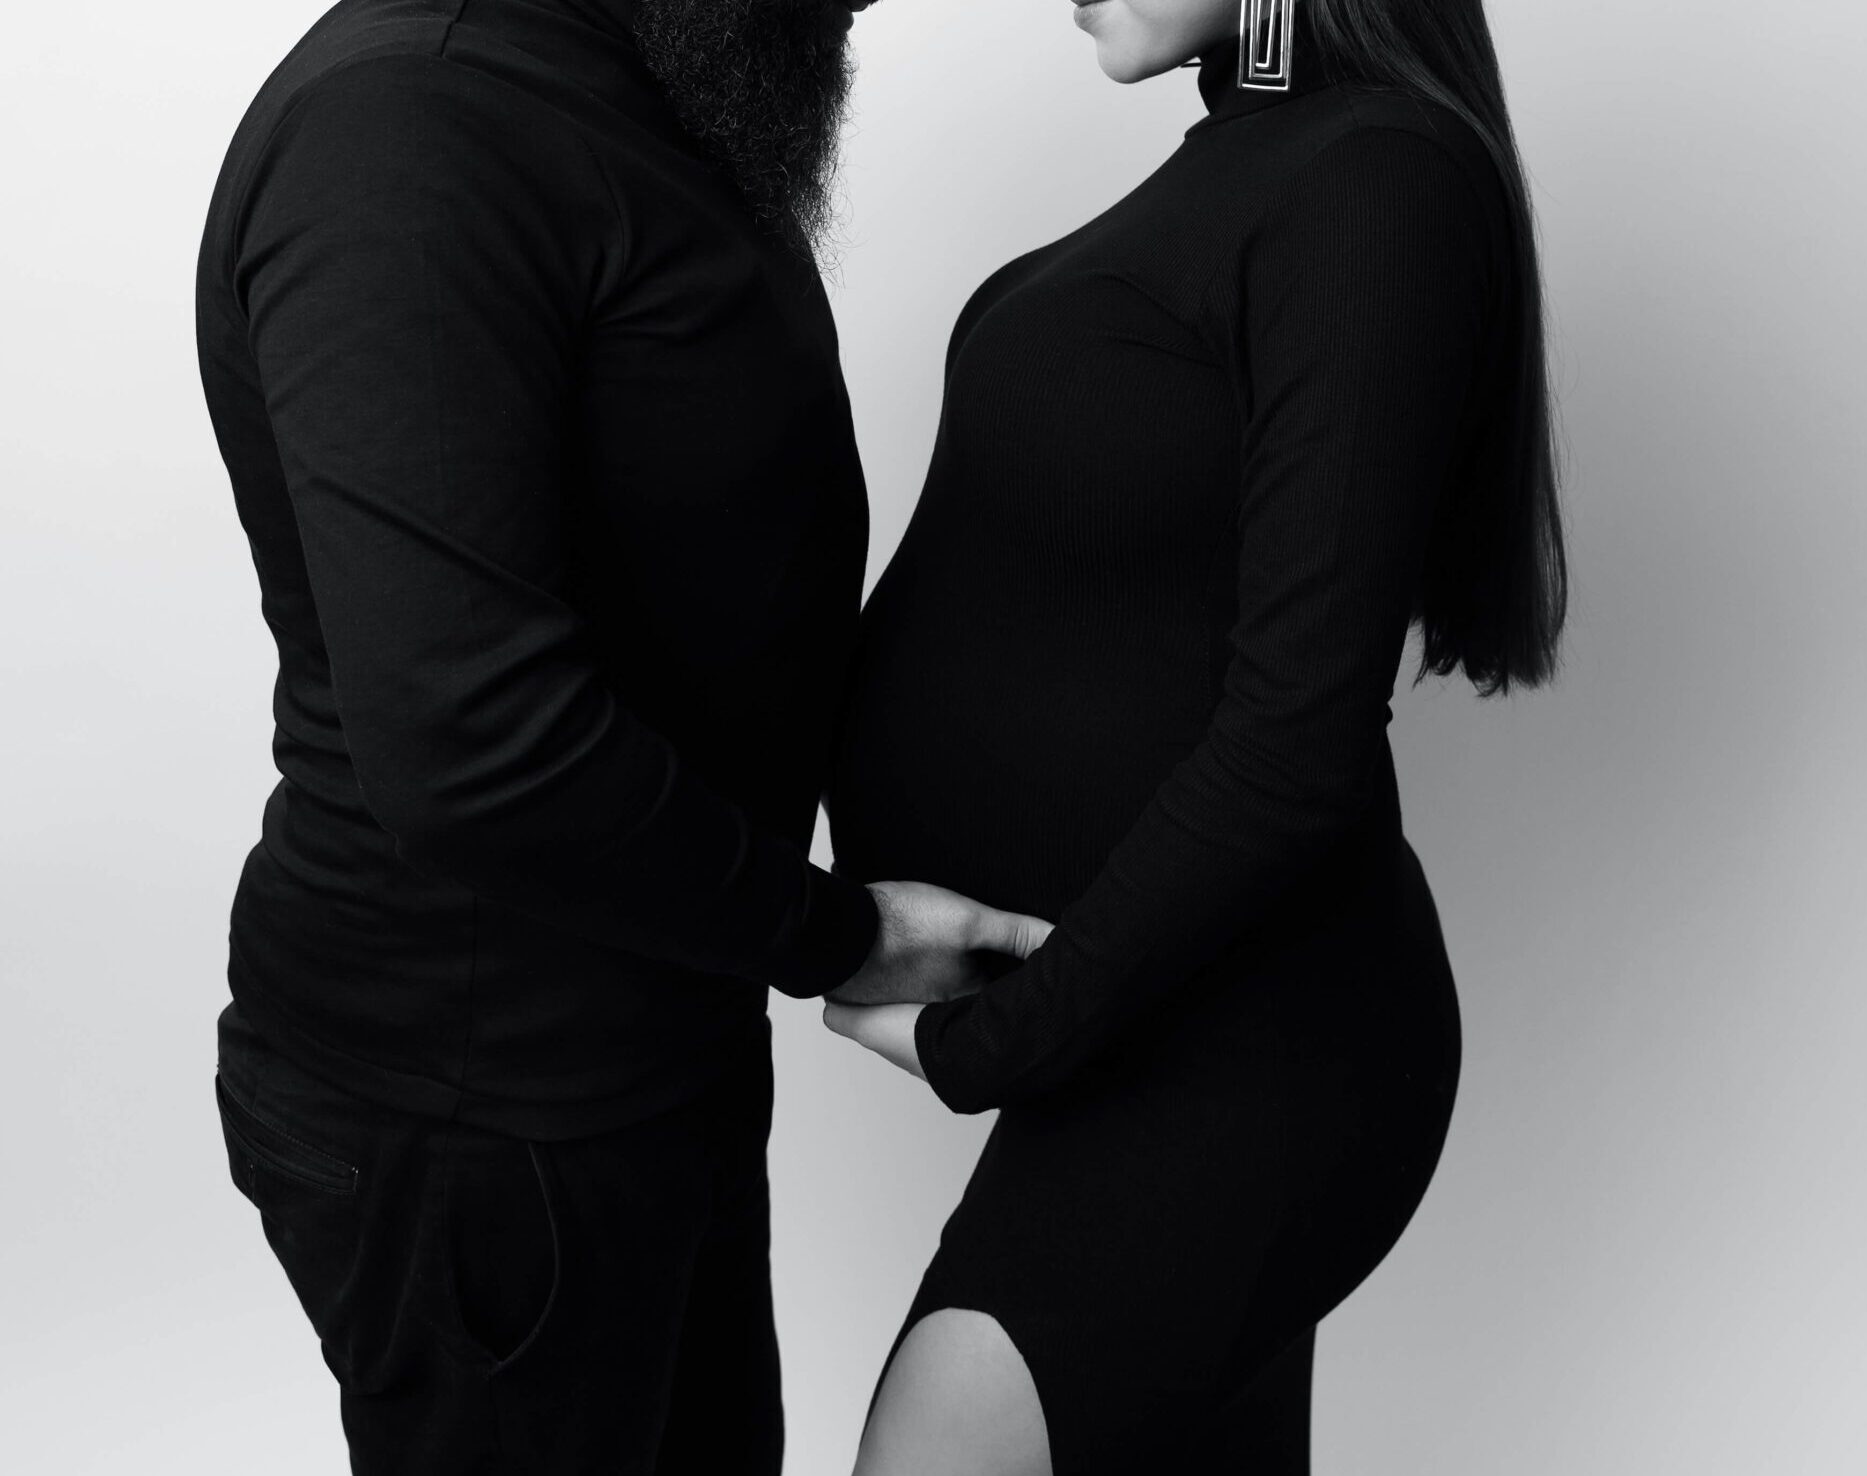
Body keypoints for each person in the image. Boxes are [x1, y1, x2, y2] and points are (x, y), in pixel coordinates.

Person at [195, 0, 1043, 1470]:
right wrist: (835, 934)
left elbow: (709, 581)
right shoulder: (412, 129)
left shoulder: (633, 89)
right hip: (483, 1113)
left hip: (649, 1050)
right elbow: (470, 744)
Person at [822, 0, 1568, 1471]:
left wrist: (998, 1042)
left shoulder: (1376, 177)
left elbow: (1298, 740)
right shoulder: (1259, 163)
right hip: (1143, 1015)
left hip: (1259, 1035)